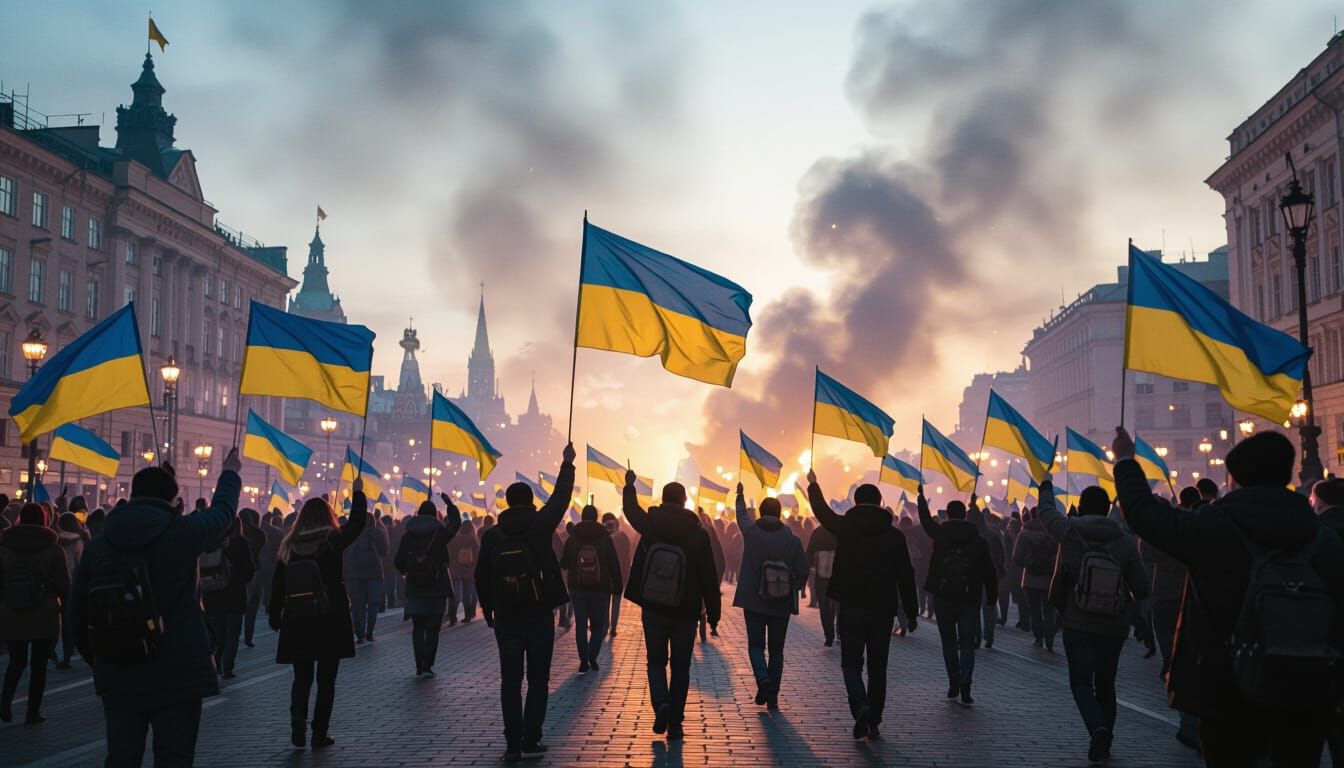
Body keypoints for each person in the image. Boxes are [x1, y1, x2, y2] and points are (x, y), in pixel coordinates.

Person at [1113, 427, 1344, 766]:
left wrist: (1124, 461)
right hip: (1304, 682)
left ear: (1234, 479)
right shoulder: (1320, 537)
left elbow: (1145, 515)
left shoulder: (1213, 526)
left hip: (1225, 680)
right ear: (1287, 475)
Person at [69, 451, 243, 766]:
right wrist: (229, 472)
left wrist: (100, 660)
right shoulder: (183, 533)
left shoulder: (98, 546)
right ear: (173, 500)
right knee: (174, 758)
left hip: (119, 669)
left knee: (122, 758)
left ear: (133, 495)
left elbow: (77, 614)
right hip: (179, 670)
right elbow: (222, 513)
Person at [1035, 477, 1150, 762]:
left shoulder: (1070, 531)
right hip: (1114, 624)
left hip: (1078, 621)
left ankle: (1097, 729)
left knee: (1082, 683)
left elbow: (1047, 514)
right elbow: (1143, 587)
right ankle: (1106, 738)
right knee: (1107, 682)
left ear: (1081, 507)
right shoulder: (1125, 540)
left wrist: (1046, 487)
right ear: (1108, 507)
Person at [475, 443, 576, 763]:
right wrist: (567, 464)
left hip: (506, 617)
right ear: (530, 501)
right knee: (538, 679)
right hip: (538, 613)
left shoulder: (492, 535)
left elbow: (481, 575)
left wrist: (489, 611)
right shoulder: (539, 525)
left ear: (507, 502)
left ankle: (513, 743)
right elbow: (560, 500)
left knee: (510, 681)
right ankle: (532, 739)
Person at [806, 472, 918, 740]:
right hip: (882, 609)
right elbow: (905, 574)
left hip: (851, 606)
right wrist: (911, 612)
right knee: (878, 668)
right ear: (880, 503)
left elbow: (822, 512)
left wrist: (813, 485)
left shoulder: (845, 527)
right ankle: (874, 720)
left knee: (851, 663)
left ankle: (860, 705)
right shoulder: (894, 536)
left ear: (855, 502)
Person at [267, 477, 369, 750]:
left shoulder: (289, 545)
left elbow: (278, 585)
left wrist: (274, 615)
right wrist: (358, 494)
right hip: (329, 617)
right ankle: (318, 733)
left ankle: (297, 726)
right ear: (328, 516)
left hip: (297, 619)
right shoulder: (332, 540)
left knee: (301, 678)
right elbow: (358, 524)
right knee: (326, 680)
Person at [622, 469, 721, 742]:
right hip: (686, 611)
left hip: (653, 606)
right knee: (681, 667)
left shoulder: (650, 524)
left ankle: (660, 704)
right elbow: (709, 577)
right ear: (684, 501)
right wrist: (713, 613)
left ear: (663, 499)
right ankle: (675, 723)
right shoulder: (698, 535)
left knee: (655, 661)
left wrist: (629, 485)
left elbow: (630, 509)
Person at [917, 489, 997, 705]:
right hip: (970, 597)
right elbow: (989, 571)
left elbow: (925, 522)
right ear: (965, 515)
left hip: (943, 595)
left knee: (949, 641)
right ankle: (966, 683)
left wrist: (922, 500)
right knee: (968, 643)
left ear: (947, 515)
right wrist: (991, 597)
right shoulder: (978, 540)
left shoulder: (941, 535)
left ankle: (953, 680)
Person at [733, 483, 809, 710]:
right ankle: (773, 695)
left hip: (753, 600)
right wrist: (792, 587)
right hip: (781, 603)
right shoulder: (792, 541)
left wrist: (740, 495)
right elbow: (803, 570)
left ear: (762, 513)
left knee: (756, 646)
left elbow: (741, 517)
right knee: (777, 650)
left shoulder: (751, 533)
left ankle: (762, 678)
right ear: (780, 515)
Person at [0, 503, 69, 724]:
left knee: (16, 662)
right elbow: (63, 585)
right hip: (44, 613)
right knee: (39, 665)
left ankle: (5, 703)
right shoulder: (53, 549)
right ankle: (32, 711)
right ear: (44, 520)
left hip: (11, 610)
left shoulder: (4, 547)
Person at [395, 494, 462, 677]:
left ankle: (418, 663)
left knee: (418, 628)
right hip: (437, 587)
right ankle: (427, 664)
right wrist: (450, 505)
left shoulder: (407, 536)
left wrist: (409, 571)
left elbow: (398, 561)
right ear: (435, 515)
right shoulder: (439, 533)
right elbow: (456, 524)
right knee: (433, 628)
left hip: (415, 588)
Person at [560, 505, 622, 673]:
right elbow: (613, 563)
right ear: (596, 518)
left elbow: (564, 563)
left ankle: (583, 660)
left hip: (577, 587)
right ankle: (592, 656)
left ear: (582, 517)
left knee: (580, 624)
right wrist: (618, 586)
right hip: (600, 588)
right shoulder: (604, 537)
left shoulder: (573, 537)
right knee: (598, 625)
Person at [201, 518, 255, 679]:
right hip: (234, 595)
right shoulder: (241, 542)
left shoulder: (208, 542)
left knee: (217, 634)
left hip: (212, 594)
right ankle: (227, 668)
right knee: (232, 634)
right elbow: (249, 570)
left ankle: (216, 664)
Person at [1013, 508, 1058, 651]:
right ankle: (1050, 639)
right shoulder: (1053, 534)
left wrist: (1027, 562)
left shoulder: (1024, 534)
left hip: (1030, 579)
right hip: (1050, 579)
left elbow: (1017, 558)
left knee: (1034, 610)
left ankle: (1038, 638)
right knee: (1049, 611)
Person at [344, 512, 387, 643]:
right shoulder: (378, 533)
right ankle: (370, 632)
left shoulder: (352, 533)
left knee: (358, 605)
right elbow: (384, 551)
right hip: (374, 573)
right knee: (373, 604)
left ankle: (359, 633)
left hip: (355, 574)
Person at [54, 511, 87, 668]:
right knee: (71, 619)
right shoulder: (79, 540)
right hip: (74, 582)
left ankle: (56, 652)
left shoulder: (55, 540)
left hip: (57, 582)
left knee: (56, 619)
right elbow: (80, 562)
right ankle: (69, 651)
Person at [806, 516, 839, 646]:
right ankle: (840, 632)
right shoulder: (839, 531)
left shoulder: (818, 532)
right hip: (838, 574)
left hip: (821, 574)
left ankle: (829, 634)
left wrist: (808, 568)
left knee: (824, 605)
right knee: (838, 604)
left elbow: (809, 553)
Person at [238, 509, 268, 648]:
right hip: (256, 573)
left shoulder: (234, 534)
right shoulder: (260, 534)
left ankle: (235, 634)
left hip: (237, 575)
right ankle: (248, 636)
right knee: (253, 607)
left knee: (237, 606)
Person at [602, 512, 632, 637]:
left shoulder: (604, 539)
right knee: (616, 602)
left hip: (606, 575)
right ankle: (613, 627)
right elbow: (627, 557)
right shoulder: (623, 536)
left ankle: (605, 626)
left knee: (605, 602)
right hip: (620, 575)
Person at [447, 515, 480, 625]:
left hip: (456, 570)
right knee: (468, 595)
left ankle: (452, 617)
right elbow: (477, 557)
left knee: (455, 596)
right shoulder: (475, 540)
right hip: (470, 571)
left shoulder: (455, 540)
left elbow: (450, 554)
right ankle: (468, 615)